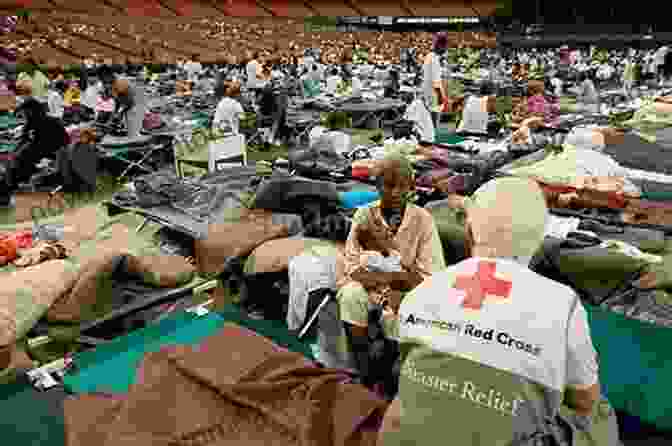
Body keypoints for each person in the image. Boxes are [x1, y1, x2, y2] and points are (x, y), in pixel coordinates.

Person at [379, 177, 617, 446]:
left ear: (469, 232)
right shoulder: (562, 304)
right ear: (540, 241)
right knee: (599, 413)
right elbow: (584, 400)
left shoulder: (423, 291)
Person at [337, 154, 446, 387]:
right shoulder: (364, 215)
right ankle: (363, 371)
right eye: (388, 185)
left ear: (412, 187)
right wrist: (386, 282)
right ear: (376, 186)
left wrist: (395, 286)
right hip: (374, 283)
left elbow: (430, 277)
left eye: (402, 186)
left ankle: (391, 372)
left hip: (410, 288)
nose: (396, 193)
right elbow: (352, 266)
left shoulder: (423, 219)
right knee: (350, 295)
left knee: (399, 309)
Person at [1, 98, 69, 202]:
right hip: (39, 154)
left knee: (20, 159)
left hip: (51, 154)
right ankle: (10, 186)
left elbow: (61, 143)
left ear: (31, 111)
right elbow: (23, 141)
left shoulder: (49, 122)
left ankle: (9, 188)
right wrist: (13, 154)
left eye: (25, 111)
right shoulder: (31, 123)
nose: (23, 114)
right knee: (17, 159)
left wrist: (16, 154)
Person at [99, 65, 147, 138]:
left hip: (135, 108)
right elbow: (117, 101)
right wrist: (115, 113)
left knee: (133, 133)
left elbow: (128, 102)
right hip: (128, 106)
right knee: (128, 131)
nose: (103, 81)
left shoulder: (120, 82)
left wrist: (118, 113)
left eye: (103, 78)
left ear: (108, 75)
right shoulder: (110, 83)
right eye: (101, 79)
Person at [422, 32, 448, 128]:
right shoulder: (434, 59)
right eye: (445, 47)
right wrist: (440, 96)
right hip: (434, 93)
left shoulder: (429, 56)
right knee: (434, 115)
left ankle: (429, 135)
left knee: (429, 115)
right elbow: (435, 81)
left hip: (428, 91)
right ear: (440, 46)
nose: (445, 49)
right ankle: (432, 136)